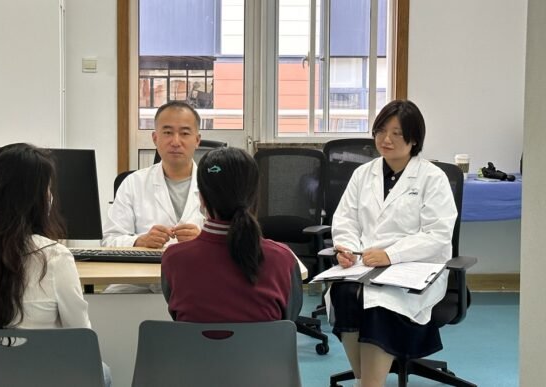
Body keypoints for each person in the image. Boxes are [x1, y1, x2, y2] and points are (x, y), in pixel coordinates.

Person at [0, 143, 111, 386]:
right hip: (40, 378)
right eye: (47, 189)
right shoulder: (54, 257)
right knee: (104, 371)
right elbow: (82, 339)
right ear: (37, 198)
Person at [327, 100, 457, 387]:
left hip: (414, 268)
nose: (386, 139)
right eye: (381, 131)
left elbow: (437, 235)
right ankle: (368, 378)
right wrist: (346, 249)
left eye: (397, 133)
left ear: (414, 139)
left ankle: (371, 383)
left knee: (380, 305)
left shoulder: (432, 178)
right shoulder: (363, 174)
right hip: (364, 265)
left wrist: (391, 254)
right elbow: (345, 219)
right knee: (344, 292)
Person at [161, 147, 304, 322]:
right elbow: (289, 319)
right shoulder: (282, 258)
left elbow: (176, 314)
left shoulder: (173, 258)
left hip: (194, 349)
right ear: (253, 196)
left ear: (202, 199)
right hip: (262, 350)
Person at [101, 101, 206, 293]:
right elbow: (109, 240)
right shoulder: (134, 183)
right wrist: (140, 241)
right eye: (167, 133)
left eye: (184, 133)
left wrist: (203, 240)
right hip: (138, 282)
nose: (175, 141)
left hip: (198, 280)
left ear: (197, 140)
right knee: (110, 302)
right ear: (155, 138)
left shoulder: (213, 184)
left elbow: (235, 241)